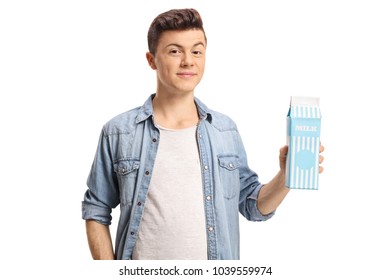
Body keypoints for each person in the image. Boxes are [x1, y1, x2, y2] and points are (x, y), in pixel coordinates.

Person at [81, 8, 324, 260]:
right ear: (151, 60)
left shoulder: (224, 130)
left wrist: (286, 177)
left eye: (196, 51)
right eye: (175, 51)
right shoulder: (119, 132)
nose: (188, 61)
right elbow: (96, 210)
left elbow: (252, 206)